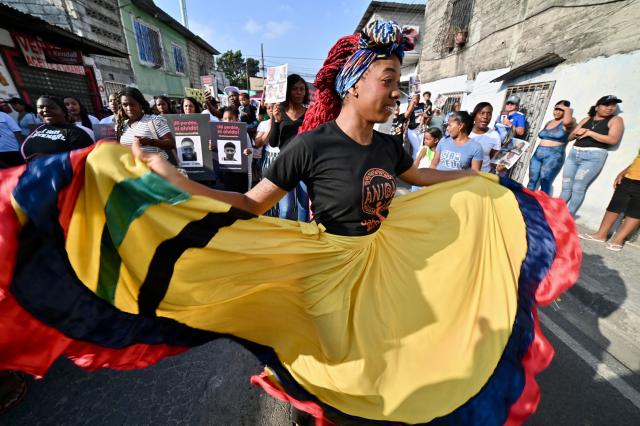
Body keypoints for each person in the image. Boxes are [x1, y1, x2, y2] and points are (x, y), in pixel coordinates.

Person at [0, 20, 579, 426]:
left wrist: (485, 183)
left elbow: (418, 180)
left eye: (399, 85)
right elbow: (251, 204)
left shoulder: (392, 142)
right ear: (353, 84)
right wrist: (173, 180)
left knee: (390, 348)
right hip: (328, 266)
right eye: (388, 81)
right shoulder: (309, 146)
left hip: (384, 259)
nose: (395, 94)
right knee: (336, 361)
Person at [561, 95, 625, 216]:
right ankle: (556, 212)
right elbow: (569, 138)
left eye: (613, 105)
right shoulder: (586, 119)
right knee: (566, 185)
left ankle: (567, 217)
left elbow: (613, 140)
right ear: (597, 107)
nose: (610, 108)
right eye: (606, 105)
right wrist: (576, 133)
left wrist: (589, 133)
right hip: (574, 153)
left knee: (578, 187)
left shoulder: (616, 120)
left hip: (593, 157)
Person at [267, 73, 310, 221]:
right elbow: (273, 143)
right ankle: (282, 239)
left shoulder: (310, 114)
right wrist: (276, 121)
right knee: (286, 208)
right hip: (285, 165)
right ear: (287, 91)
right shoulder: (279, 113)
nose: (299, 92)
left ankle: (302, 239)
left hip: (305, 166)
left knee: (304, 205)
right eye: (294, 89)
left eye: (302, 89)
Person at [579, 151, 640, 251]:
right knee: (614, 206)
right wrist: (623, 172)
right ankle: (601, 234)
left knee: (635, 212)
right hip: (630, 176)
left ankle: (619, 239)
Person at [21, 95, 93, 160]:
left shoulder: (77, 132)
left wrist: (51, 160)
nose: (45, 110)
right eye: (41, 107)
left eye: (51, 107)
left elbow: (84, 161)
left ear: (64, 112)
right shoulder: (39, 128)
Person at [526, 101, 575, 194]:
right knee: (532, 179)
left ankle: (541, 206)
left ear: (566, 111)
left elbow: (567, 121)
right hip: (538, 153)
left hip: (553, 155)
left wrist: (567, 109)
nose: (557, 112)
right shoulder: (549, 122)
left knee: (545, 181)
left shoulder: (569, 121)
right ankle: (524, 202)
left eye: (561, 110)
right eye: (556, 109)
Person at [116, 87, 175, 159]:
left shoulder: (155, 120)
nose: (129, 108)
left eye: (132, 104)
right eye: (125, 105)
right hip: (131, 169)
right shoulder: (122, 125)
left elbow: (171, 143)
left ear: (140, 104)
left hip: (153, 168)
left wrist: (151, 142)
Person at [469, 102, 501, 172]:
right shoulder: (464, 132)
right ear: (475, 115)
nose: (485, 117)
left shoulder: (494, 135)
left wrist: (499, 166)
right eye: (482, 113)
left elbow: (494, 160)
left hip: (483, 176)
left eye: (489, 114)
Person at [0, 99, 24, 168]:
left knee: (22, 169)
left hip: (13, 149)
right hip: (1, 153)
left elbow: (17, 131)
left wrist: (21, 147)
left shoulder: (3, 115)